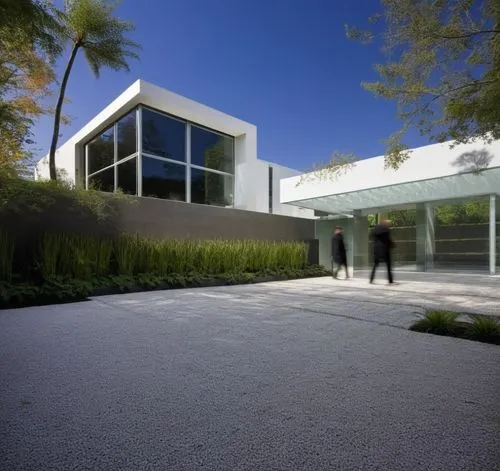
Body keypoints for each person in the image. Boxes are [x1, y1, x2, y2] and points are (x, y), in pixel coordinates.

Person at [369, 219, 395, 284]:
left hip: (377, 250)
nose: (389, 225)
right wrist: (392, 245)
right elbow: (388, 240)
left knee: (375, 266)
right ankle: (390, 280)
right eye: (389, 224)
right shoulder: (386, 230)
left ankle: (371, 279)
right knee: (388, 266)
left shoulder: (375, 229)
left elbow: (371, 236)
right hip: (385, 250)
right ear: (386, 223)